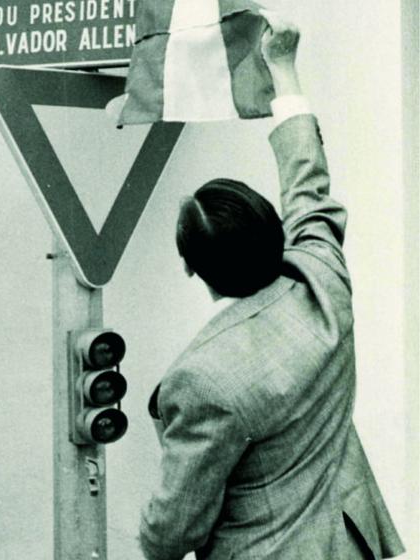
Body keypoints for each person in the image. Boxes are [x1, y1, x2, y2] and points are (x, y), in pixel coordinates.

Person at [140, 14, 405, 560]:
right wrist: (283, 69)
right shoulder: (322, 284)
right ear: (273, 232)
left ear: (193, 268)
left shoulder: (200, 379)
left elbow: (170, 533)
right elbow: (308, 184)